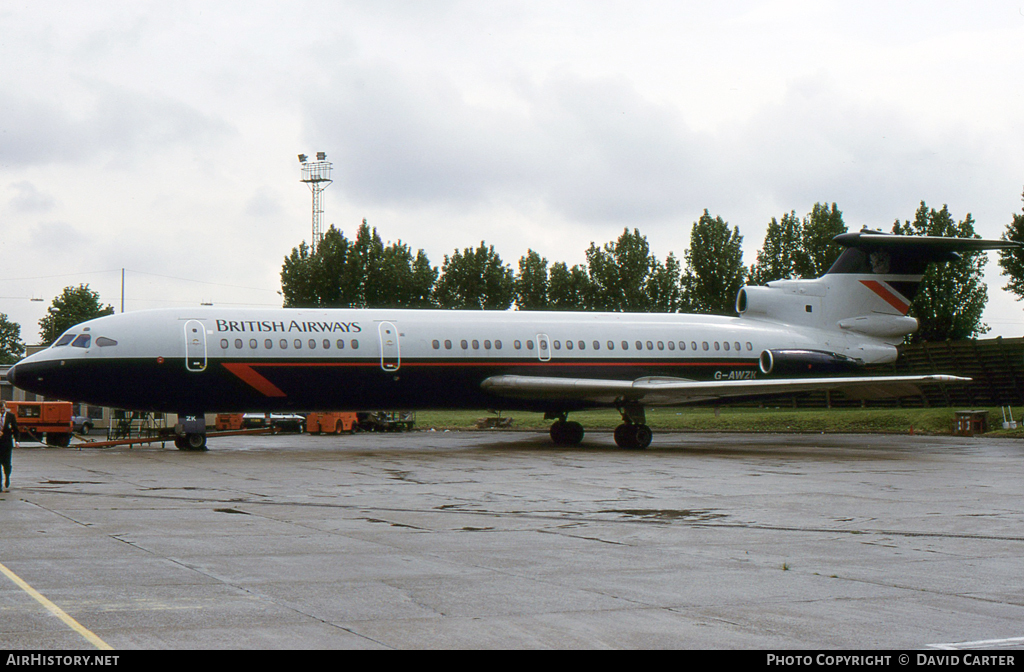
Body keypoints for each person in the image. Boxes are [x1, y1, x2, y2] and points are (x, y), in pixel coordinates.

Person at [0, 400, 17, 492]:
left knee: (6, 464)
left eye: (3, 408)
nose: (2, 410)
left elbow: (15, 429)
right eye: (1, 408)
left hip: (7, 444)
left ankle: (7, 476)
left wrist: (17, 441)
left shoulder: (11, 416)